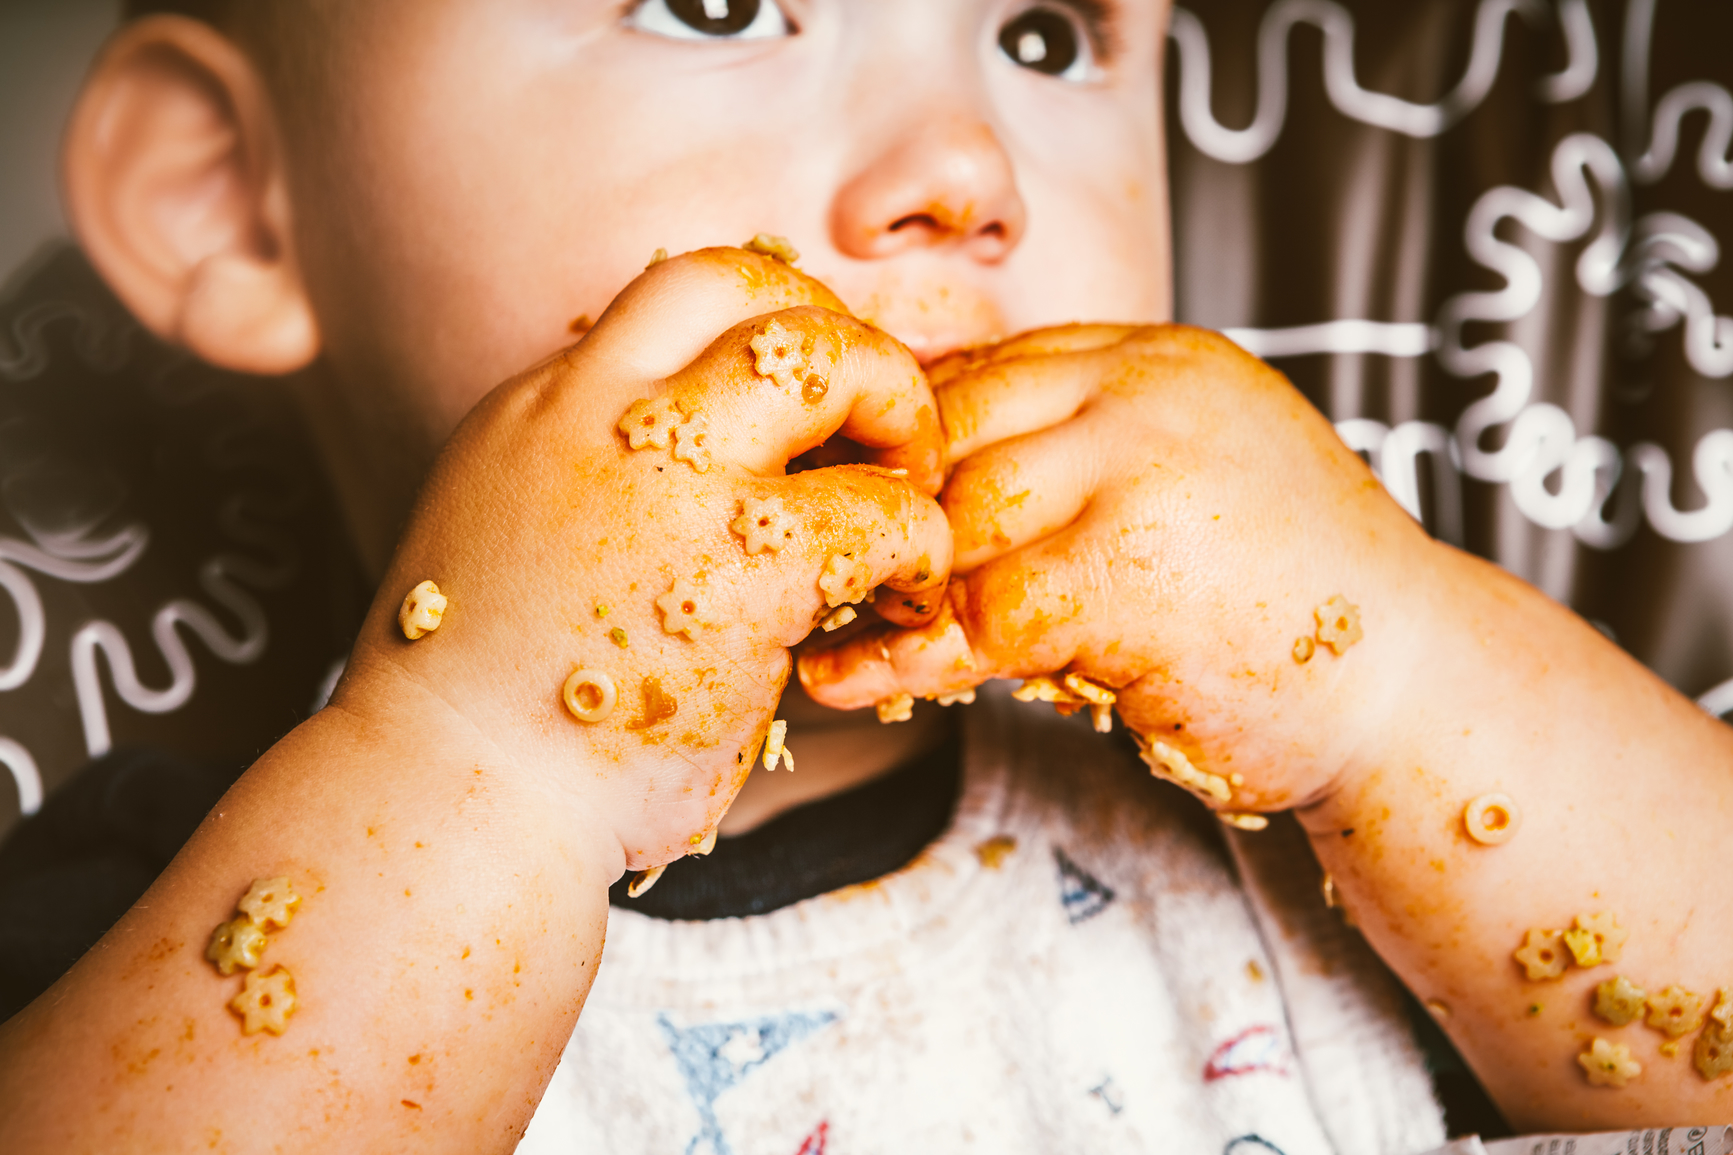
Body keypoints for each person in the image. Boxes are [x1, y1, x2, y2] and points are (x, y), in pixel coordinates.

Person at [0, 0, 1730, 1151]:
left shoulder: (1351, 841)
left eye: (1046, 34)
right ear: (232, 201)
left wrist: (1395, 675)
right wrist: (482, 762)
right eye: (718, 3)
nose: (962, 176)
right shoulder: (184, 943)